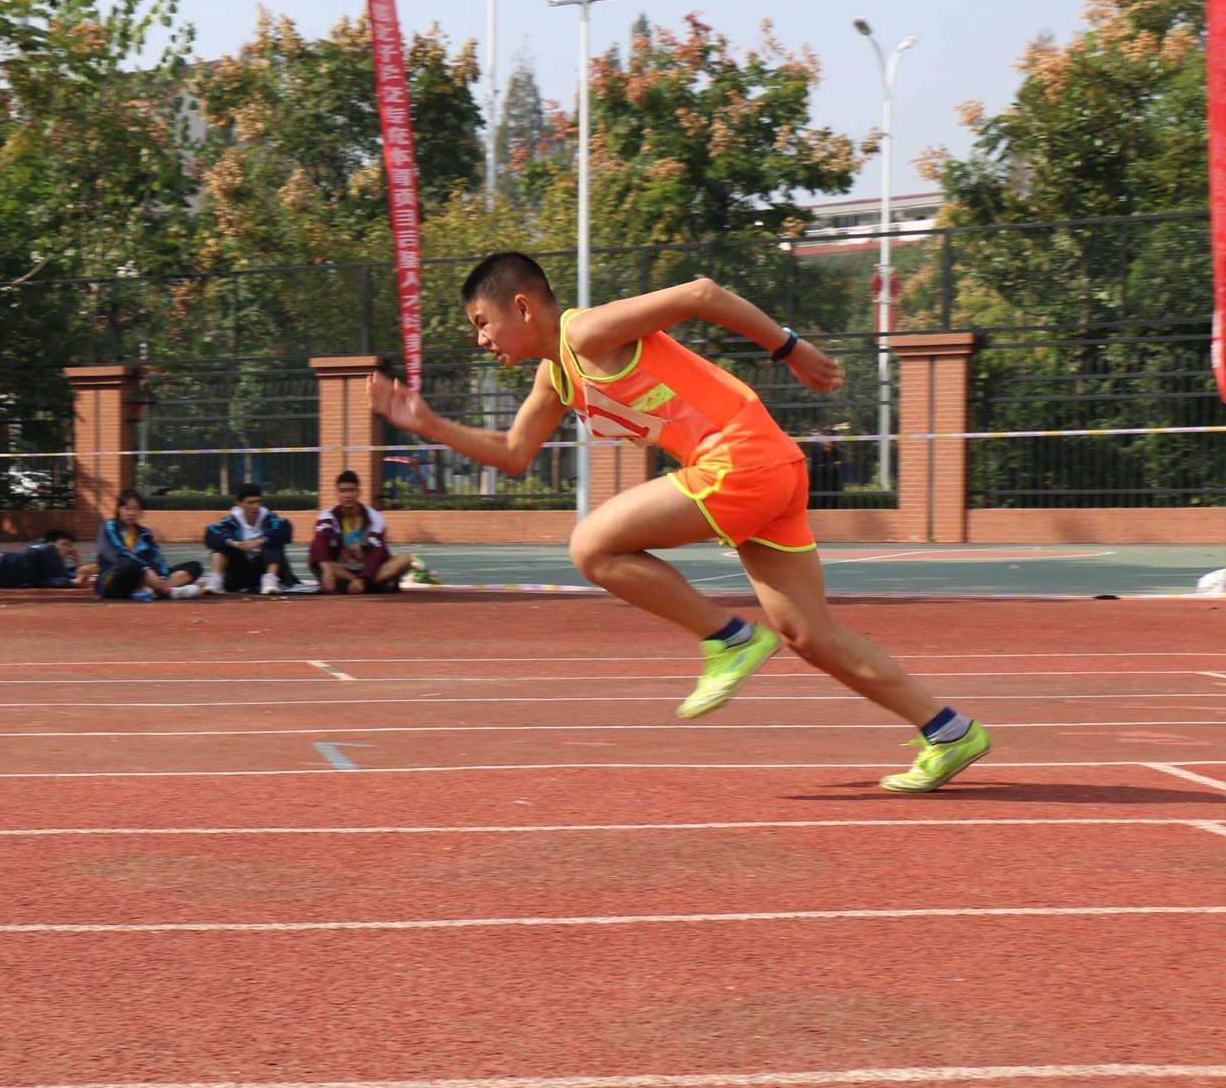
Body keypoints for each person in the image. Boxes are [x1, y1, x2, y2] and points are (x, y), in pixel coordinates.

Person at [370, 251, 991, 794]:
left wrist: (790, 347)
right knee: (809, 634)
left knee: (592, 546)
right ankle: (947, 731)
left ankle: (729, 639)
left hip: (739, 461)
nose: (481, 340)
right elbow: (512, 453)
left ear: (523, 307)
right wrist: (429, 426)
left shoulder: (586, 331)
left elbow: (701, 294)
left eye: (483, 323)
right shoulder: (557, 372)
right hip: (769, 469)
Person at [201, 481, 316, 595]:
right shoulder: (231, 521)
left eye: (258, 502)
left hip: (263, 567)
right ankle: (216, 581)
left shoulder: (270, 518)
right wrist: (234, 543)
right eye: (250, 503)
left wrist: (260, 541)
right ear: (239, 503)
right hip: (240, 571)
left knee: (274, 542)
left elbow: (284, 529)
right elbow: (211, 532)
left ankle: (270, 581)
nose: (255, 507)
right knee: (221, 547)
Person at [310, 469, 412, 594]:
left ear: (359, 492)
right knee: (317, 559)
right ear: (337, 493)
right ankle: (369, 585)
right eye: (343, 491)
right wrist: (326, 570)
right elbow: (319, 541)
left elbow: (376, 553)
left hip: (371, 569)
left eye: (352, 490)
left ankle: (357, 585)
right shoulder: (327, 516)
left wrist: (363, 578)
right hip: (343, 570)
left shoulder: (374, 518)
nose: (347, 495)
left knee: (405, 559)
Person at [97, 489, 203, 601]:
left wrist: (161, 576)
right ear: (119, 510)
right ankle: (168, 591)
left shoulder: (145, 533)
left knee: (195, 566)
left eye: (135, 509)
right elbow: (116, 554)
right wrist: (144, 569)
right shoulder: (109, 527)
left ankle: (153, 590)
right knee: (129, 565)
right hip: (114, 580)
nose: (131, 513)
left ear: (141, 511)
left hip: (148, 577)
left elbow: (156, 558)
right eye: (127, 508)